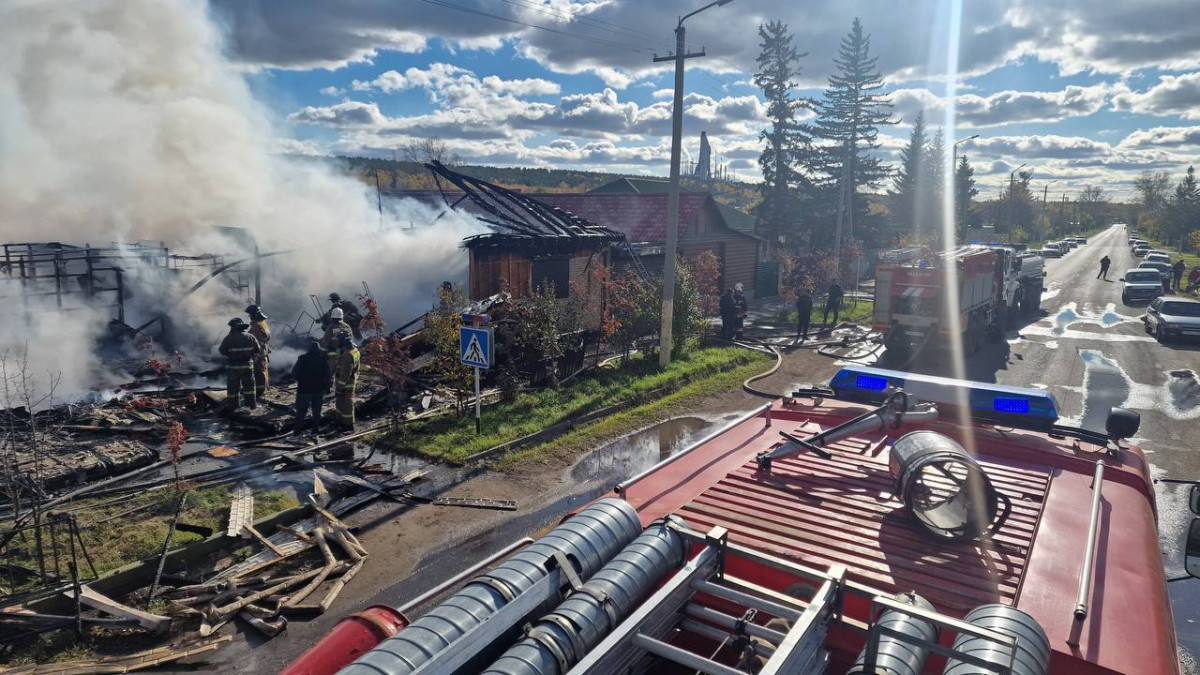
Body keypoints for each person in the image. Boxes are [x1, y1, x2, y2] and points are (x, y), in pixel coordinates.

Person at [218, 317, 261, 410]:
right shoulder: (250, 337)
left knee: (233, 388)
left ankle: (233, 405)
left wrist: (231, 354)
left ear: (233, 328)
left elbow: (222, 351)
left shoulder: (228, 338)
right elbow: (257, 350)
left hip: (233, 367)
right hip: (247, 366)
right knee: (249, 387)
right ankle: (251, 405)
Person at [291, 339, 330, 434]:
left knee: (301, 411)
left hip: (304, 390)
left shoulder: (302, 358)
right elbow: (327, 375)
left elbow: (294, 373)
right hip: (318, 390)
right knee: (316, 412)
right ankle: (315, 431)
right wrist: (327, 388)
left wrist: (300, 380)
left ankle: (296, 432)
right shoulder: (323, 359)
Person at [330, 331, 360, 430]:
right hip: (348, 379)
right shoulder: (354, 350)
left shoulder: (347, 355)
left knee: (346, 403)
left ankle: (348, 424)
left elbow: (345, 373)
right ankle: (340, 420)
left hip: (346, 383)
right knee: (340, 401)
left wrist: (339, 387)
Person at [246, 304, 271, 396]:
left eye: (250, 315)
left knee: (259, 373)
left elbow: (258, 342)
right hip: (263, 353)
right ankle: (263, 390)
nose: (249, 317)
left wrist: (255, 355)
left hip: (259, 354)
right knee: (263, 371)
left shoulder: (257, 326)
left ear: (254, 315)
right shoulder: (262, 324)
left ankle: (260, 393)